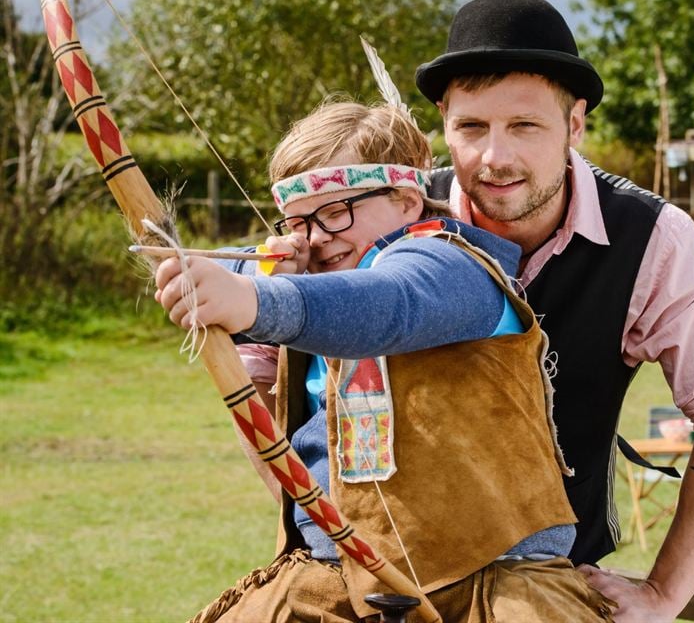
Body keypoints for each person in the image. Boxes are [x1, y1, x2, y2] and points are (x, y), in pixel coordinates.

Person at [154, 99, 614, 622]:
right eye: (299, 222)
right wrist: (239, 284)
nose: (318, 238)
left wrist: (256, 300)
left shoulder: (451, 262)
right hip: (333, 578)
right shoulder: (308, 291)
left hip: (497, 581)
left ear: (405, 198)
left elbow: (390, 304)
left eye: (335, 212)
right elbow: (265, 415)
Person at [414, 0, 694, 621]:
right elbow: (277, 368)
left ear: (575, 124)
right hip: (398, 581)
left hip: (555, 590)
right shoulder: (400, 216)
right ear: (443, 119)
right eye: (471, 127)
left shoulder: (651, 238)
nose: (495, 157)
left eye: (525, 126)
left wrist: (662, 596)